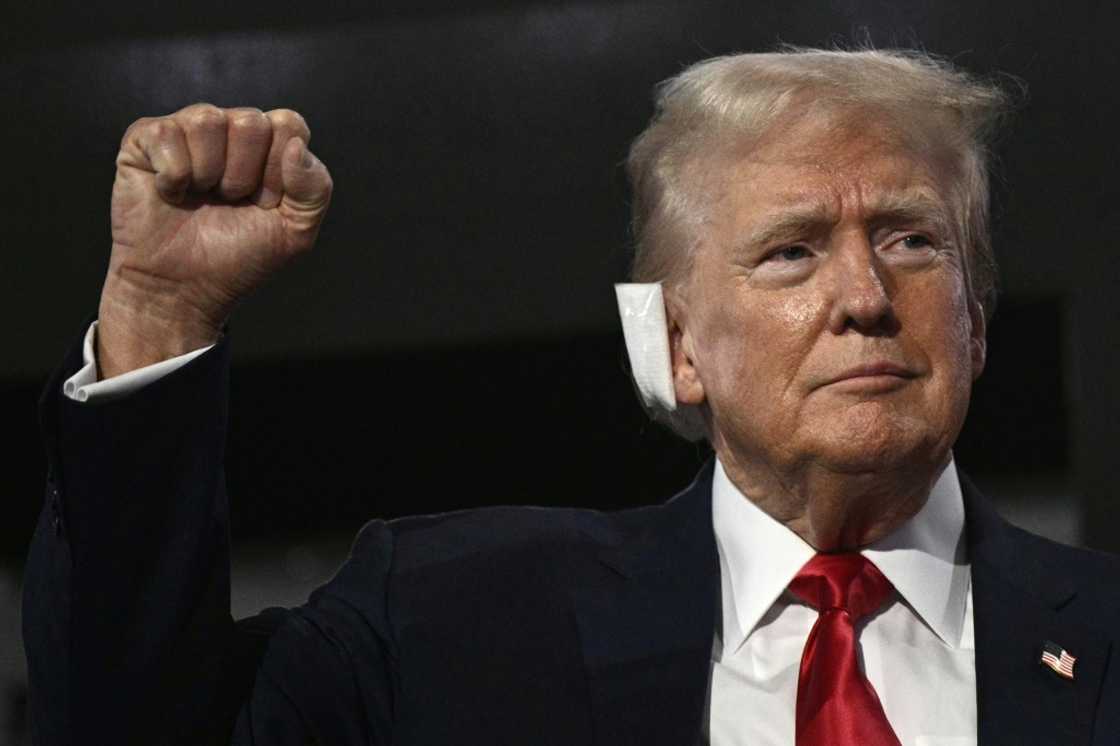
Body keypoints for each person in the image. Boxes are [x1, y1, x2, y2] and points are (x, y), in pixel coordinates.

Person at [22, 46, 1120, 745]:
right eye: (789, 252)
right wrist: (160, 313)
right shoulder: (451, 622)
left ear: (977, 315)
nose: (865, 297)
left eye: (912, 240)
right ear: (679, 346)